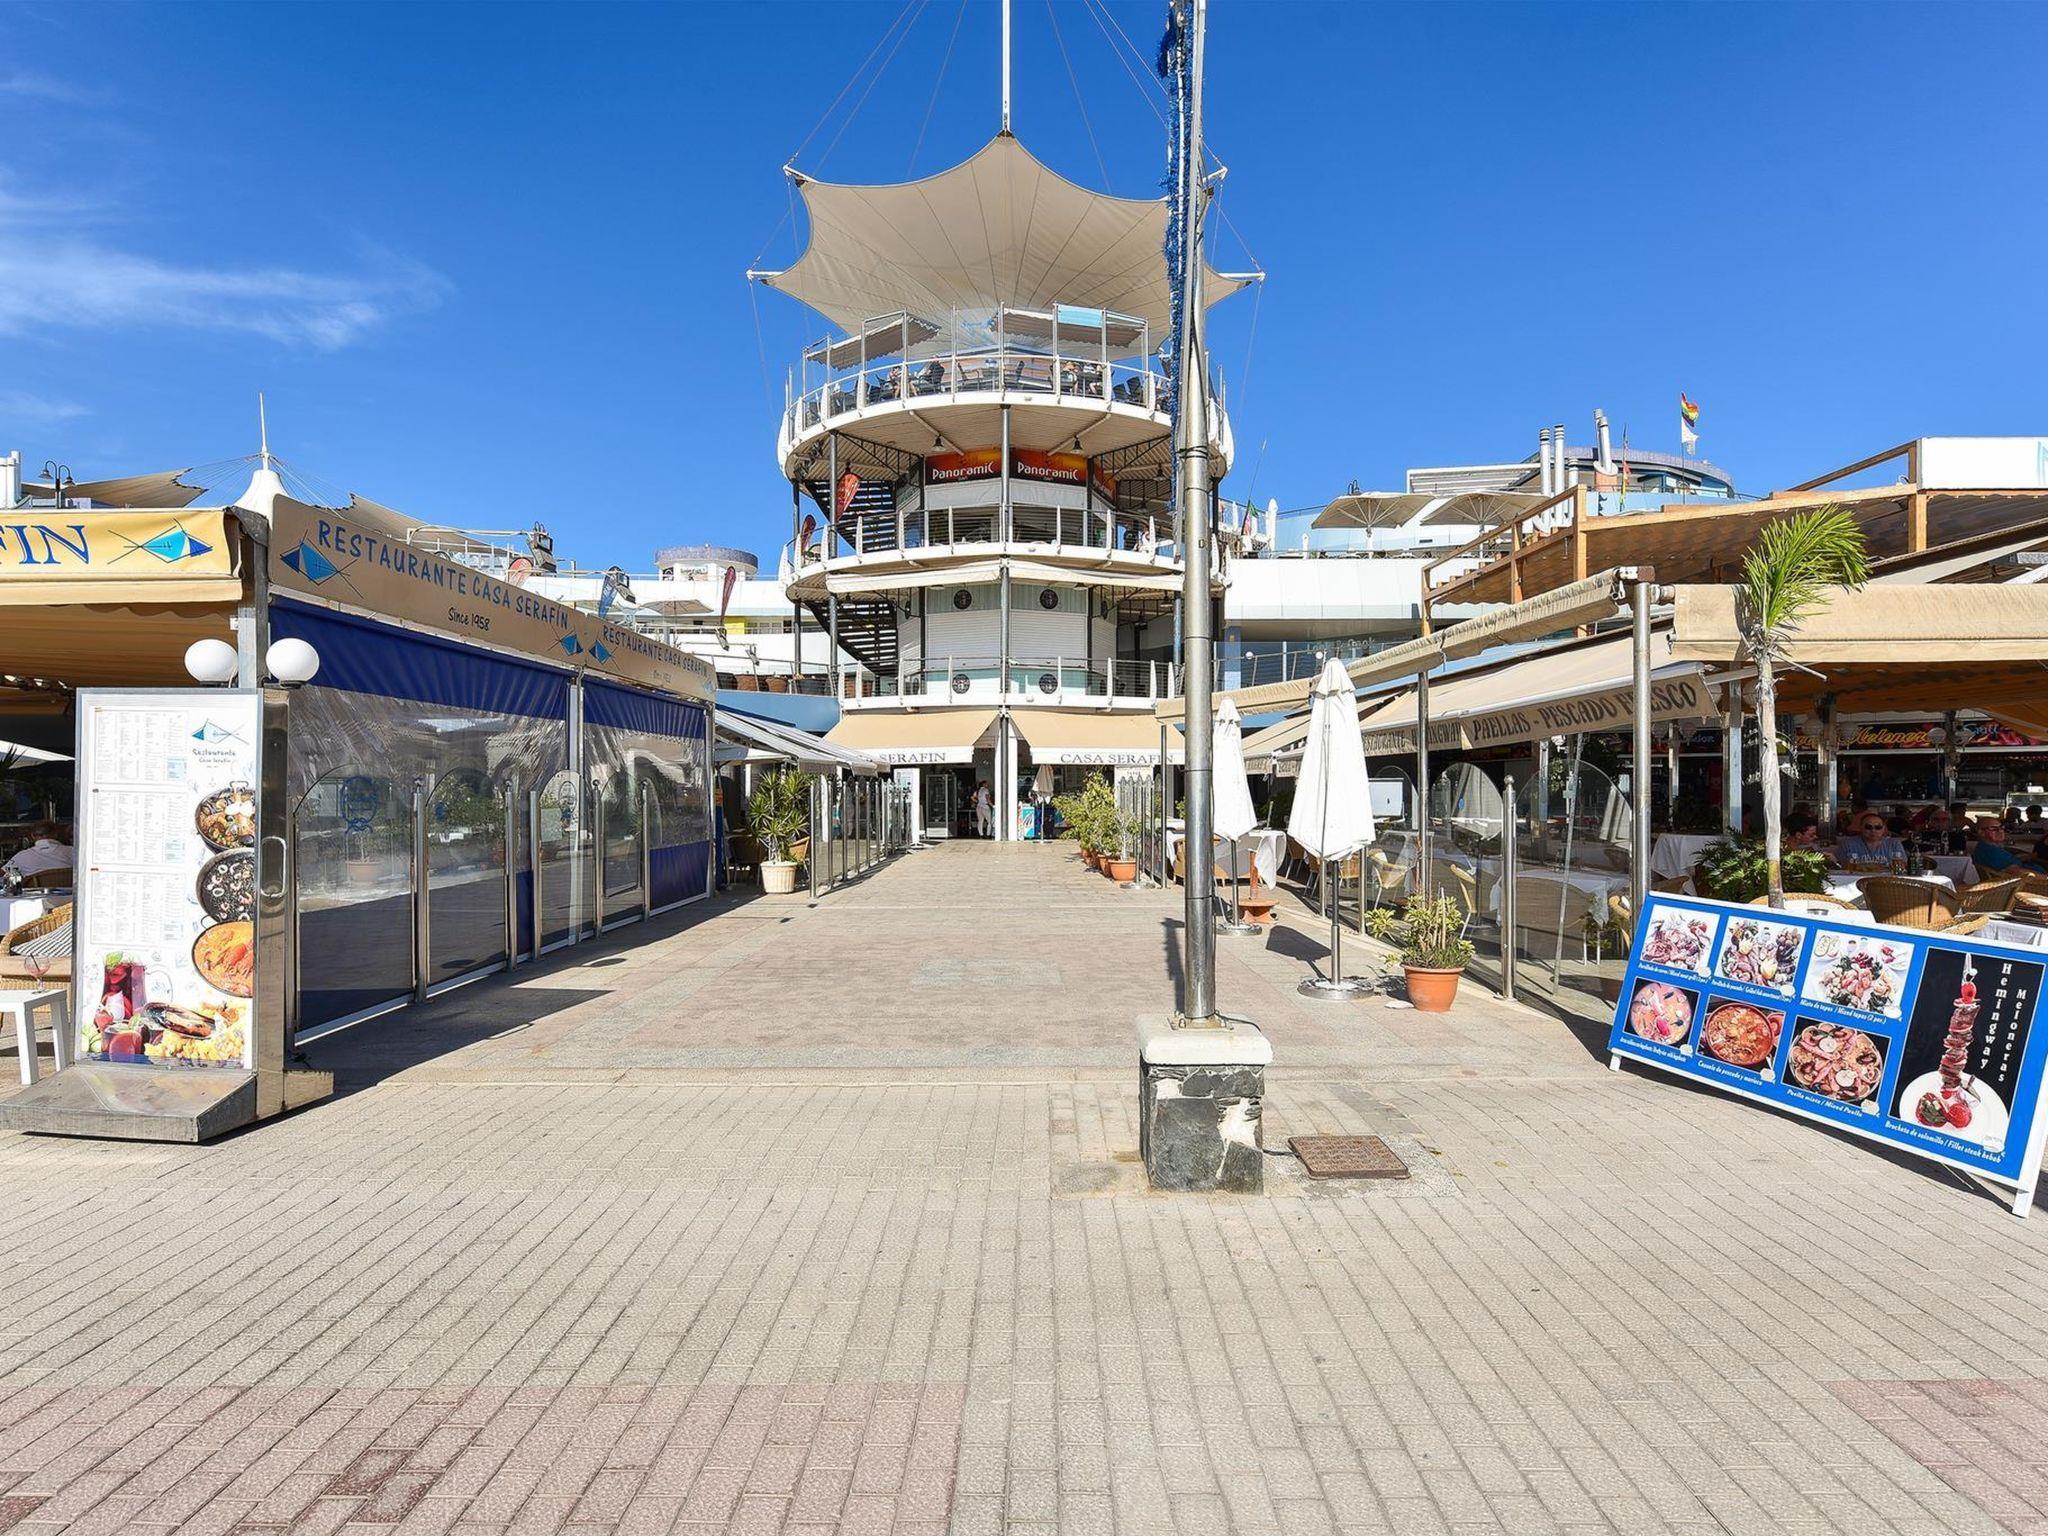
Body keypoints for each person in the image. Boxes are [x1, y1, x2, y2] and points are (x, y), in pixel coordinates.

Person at [2, 823, 72, 887]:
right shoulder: (73, 851)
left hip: (35, 895)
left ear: (32, 836)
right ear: (55, 834)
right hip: (71, 894)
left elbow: (3, 873)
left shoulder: (22, 856)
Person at [1835, 811, 1906, 870]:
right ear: (1860, 827)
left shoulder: (1894, 844)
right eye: (1868, 827)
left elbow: (1903, 865)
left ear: (1884, 828)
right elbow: (1839, 866)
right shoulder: (1848, 844)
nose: (1873, 830)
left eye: (1878, 827)